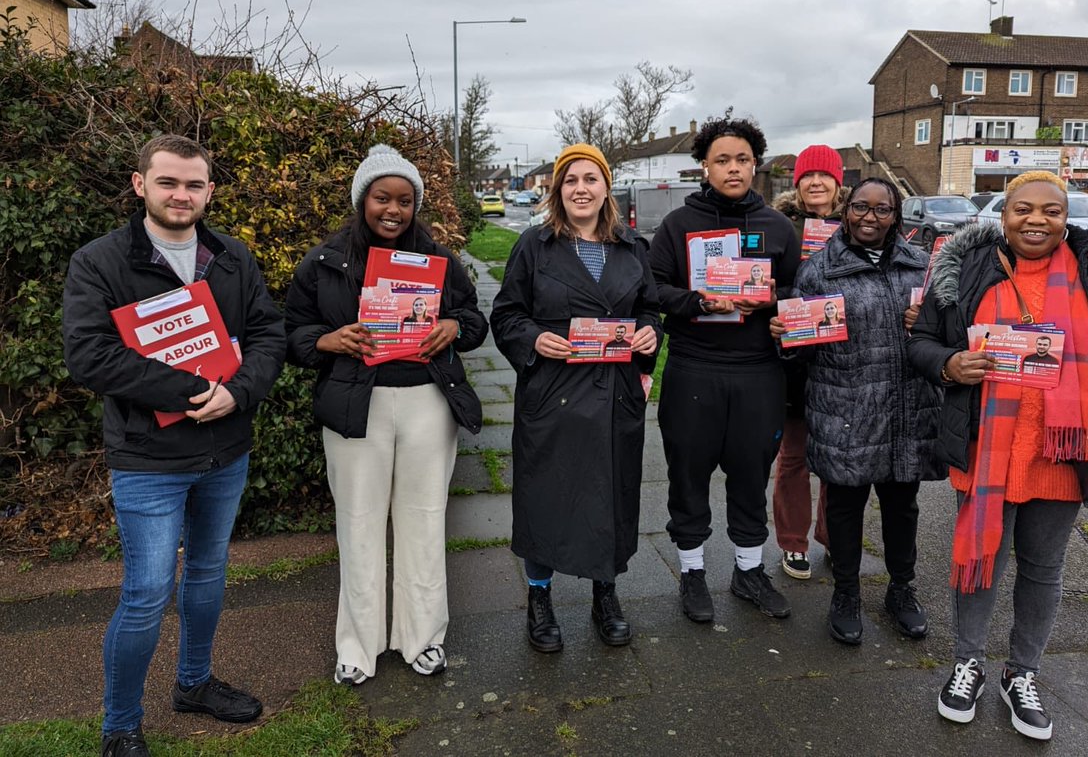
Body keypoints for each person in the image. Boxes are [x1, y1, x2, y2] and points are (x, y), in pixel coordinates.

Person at [909, 171, 1088, 741]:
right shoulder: (965, 270)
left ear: (1066, 217)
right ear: (1002, 216)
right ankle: (968, 661)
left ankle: (1022, 672)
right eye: (1022, 209)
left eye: (1050, 211)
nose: (1036, 220)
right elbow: (923, 342)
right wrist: (950, 364)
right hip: (985, 446)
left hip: (1062, 447)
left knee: (1043, 565)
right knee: (982, 557)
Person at [62, 134, 286, 757]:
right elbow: (89, 355)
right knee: (146, 593)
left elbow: (270, 333)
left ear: (209, 190)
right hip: (148, 459)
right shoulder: (99, 262)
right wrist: (193, 387)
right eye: (168, 183)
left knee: (209, 573)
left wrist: (238, 392)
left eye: (194, 184)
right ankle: (120, 724)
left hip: (226, 449)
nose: (181, 195)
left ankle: (193, 684)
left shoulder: (232, 257)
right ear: (141, 185)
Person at [285, 144, 488, 685]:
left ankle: (423, 638)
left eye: (404, 199)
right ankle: (358, 645)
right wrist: (328, 339)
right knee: (358, 523)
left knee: (424, 520)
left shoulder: (439, 260)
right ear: (362, 200)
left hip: (427, 399)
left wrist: (457, 328)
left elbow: (474, 318)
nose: (393, 209)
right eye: (382, 198)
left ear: (416, 205)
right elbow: (290, 333)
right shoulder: (323, 261)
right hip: (356, 405)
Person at [491, 144, 661, 651]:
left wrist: (649, 343)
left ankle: (604, 594)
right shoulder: (533, 246)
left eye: (591, 178)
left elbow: (649, 311)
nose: (581, 188)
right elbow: (506, 314)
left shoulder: (633, 247)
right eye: (570, 180)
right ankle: (539, 598)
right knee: (546, 498)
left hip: (614, 397)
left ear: (606, 187)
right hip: (553, 394)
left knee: (609, 498)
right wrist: (533, 340)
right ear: (556, 190)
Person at [772, 178, 943, 646]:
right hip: (844, 408)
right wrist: (787, 336)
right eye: (861, 208)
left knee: (901, 506)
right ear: (846, 211)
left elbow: (950, 332)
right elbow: (799, 352)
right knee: (845, 506)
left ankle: (901, 589)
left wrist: (927, 324)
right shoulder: (819, 269)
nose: (870, 217)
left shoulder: (922, 266)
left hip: (907, 407)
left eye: (882, 210)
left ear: (897, 215)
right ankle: (846, 593)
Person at [649, 114, 801, 622]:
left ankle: (748, 570)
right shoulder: (678, 225)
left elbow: (800, 295)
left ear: (755, 164)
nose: (733, 169)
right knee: (688, 472)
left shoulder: (780, 227)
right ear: (704, 166)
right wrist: (696, 302)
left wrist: (777, 301)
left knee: (751, 472)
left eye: (742, 160)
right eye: (722, 160)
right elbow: (651, 288)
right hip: (695, 366)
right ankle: (692, 572)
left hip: (758, 370)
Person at [771, 144, 844, 580]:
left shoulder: (858, 222)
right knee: (793, 456)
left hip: (843, 357)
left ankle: (834, 537)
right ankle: (792, 542)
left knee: (838, 458)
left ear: (838, 181)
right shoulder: (780, 226)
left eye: (824, 175)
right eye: (807, 176)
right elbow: (762, 280)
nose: (816, 183)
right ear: (796, 183)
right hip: (796, 356)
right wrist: (782, 308)